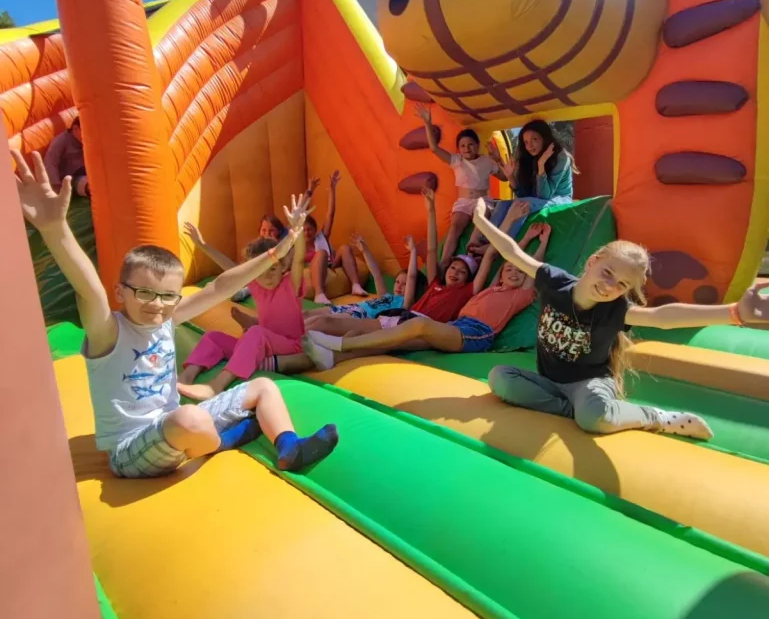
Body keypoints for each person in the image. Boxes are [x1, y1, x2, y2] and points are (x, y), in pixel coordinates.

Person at [13, 149, 338, 477]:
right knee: (190, 418)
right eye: (144, 293)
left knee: (264, 387)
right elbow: (89, 289)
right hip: (131, 448)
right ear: (120, 293)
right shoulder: (108, 332)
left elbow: (220, 287)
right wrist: (55, 229)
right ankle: (226, 439)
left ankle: (290, 446)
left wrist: (281, 248)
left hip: (176, 425)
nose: (156, 304)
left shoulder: (167, 319)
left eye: (168, 296)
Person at [472, 198, 769, 440]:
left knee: (593, 418)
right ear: (592, 262)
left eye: (622, 285)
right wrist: (481, 222)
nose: (610, 286)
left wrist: (733, 313)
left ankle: (656, 417)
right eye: (607, 273)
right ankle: (572, 410)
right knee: (501, 377)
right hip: (551, 384)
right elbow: (512, 253)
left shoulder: (615, 310)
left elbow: (663, 317)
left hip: (589, 385)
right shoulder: (555, 282)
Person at [304, 202, 549, 368]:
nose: (513, 272)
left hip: (475, 332)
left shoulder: (517, 295)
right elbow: (500, 257)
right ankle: (331, 357)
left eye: (518, 271)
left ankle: (340, 344)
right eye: (508, 269)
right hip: (453, 326)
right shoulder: (491, 289)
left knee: (416, 325)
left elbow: (524, 265)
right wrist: (524, 238)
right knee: (392, 341)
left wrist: (539, 240)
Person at [179, 219, 311, 398]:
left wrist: (298, 229)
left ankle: (215, 386)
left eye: (272, 269)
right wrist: (202, 245)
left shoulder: (291, 285)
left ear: (283, 267)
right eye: (260, 271)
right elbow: (231, 269)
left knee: (256, 332)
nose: (267, 276)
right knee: (213, 337)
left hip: (289, 346)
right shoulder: (256, 285)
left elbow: (299, 260)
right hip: (261, 345)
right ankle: (186, 377)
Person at [468, 119, 574, 255]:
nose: (530, 146)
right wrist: (511, 176)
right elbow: (524, 194)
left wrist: (541, 167)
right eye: (526, 142)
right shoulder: (529, 158)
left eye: (534, 139)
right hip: (537, 198)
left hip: (559, 198)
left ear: (545, 138)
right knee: (502, 204)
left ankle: (499, 244)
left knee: (521, 204)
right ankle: (486, 238)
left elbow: (545, 196)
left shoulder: (561, 157)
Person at [417, 103, 501, 265]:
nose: (466, 148)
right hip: (463, 203)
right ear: (458, 149)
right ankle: (445, 263)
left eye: (470, 144)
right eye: (462, 146)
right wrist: (427, 123)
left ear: (477, 145)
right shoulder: (457, 160)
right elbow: (434, 148)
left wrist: (498, 159)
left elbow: (504, 177)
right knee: (454, 228)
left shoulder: (486, 161)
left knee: (480, 220)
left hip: (482, 201)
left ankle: (473, 251)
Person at [305, 233, 426, 336]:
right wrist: (365, 250)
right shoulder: (386, 296)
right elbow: (376, 274)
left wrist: (413, 251)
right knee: (307, 314)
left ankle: (291, 340)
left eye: (404, 284)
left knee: (320, 322)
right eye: (397, 282)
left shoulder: (405, 304)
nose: (398, 286)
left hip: (360, 316)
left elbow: (412, 277)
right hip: (351, 307)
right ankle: (288, 330)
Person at [303, 170, 366, 304]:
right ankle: (319, 294)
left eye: (309, 229)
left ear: (315, 230)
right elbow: (298, 213)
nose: (306, 233)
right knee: (321, 253)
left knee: (344, 248)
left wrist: (332, 189)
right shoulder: (298, 245)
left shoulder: (321, 238)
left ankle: (356, 285)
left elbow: (330, 214)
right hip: (313, 268)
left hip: (330, 265)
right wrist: (310, 190)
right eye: (303, 230)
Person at [44, 116, 89, 197]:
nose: (88, 135)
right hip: (70, 178)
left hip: (86, 171)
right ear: (75, 128)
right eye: (86, 132)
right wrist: (56, 185)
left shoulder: (88, 140)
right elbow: (50, 162)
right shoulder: (61, 140)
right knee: (89, 184)